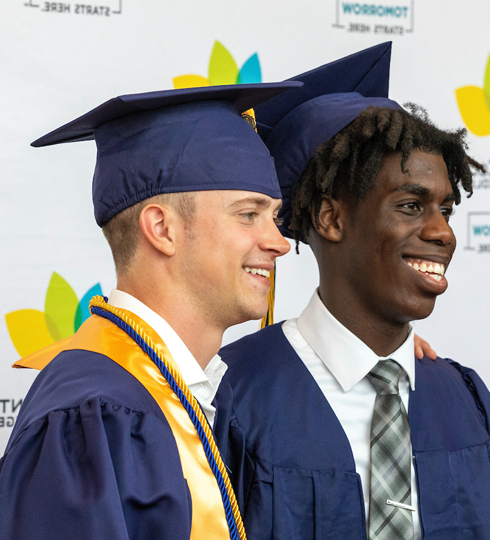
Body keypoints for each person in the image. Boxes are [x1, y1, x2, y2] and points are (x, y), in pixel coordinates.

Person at [219, 43, 490, 540]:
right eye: (411, 206)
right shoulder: (232, 397)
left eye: (446, 209)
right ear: (331, 219)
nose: (443, 233)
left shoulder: (466, 402)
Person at [0, 83, 302, 540]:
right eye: (248, 215)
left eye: (274, 216)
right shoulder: (94, 415)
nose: (279, 242)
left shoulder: (185, 396)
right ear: (162, 229)